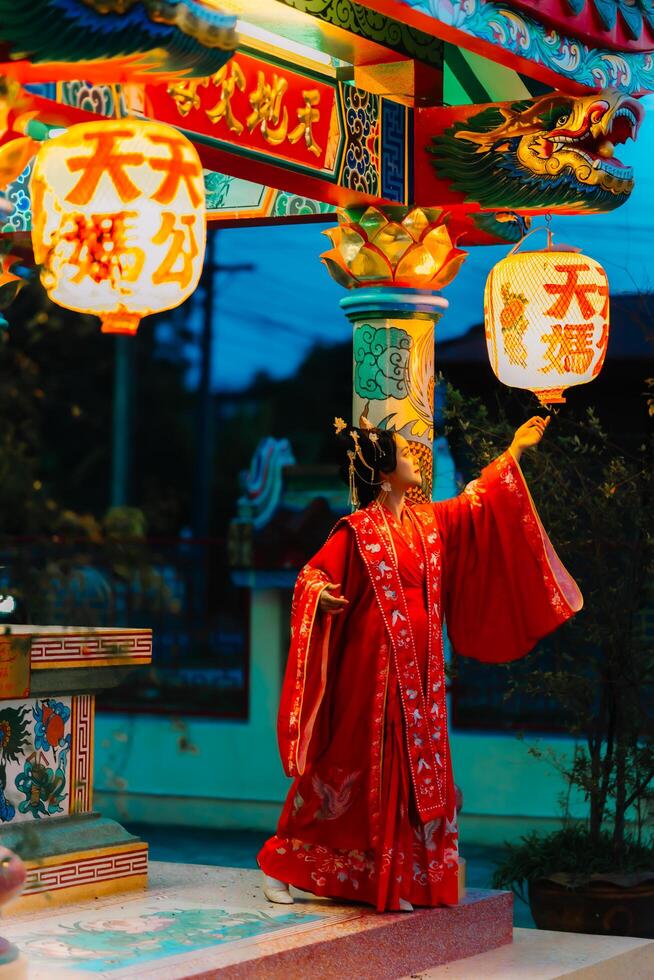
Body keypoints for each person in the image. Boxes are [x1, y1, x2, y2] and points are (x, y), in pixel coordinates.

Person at [258, 414, 582, 912]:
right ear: (386, 474)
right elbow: (311, 575)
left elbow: (480, 503)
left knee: (411, 781)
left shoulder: (428, 523)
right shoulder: (357, 532)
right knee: (346, 777)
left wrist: (514, 450)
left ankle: (397, 880)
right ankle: (281, 864)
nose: (416, 460)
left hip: (420, 681)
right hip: (369, 681)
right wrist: (320, 595)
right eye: (407, 456)